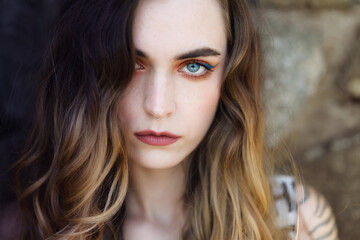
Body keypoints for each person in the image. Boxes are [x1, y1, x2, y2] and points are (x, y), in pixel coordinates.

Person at [3, 0, 338, 239]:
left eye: (194, 67)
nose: (158, 106)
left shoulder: (296, 221)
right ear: (92, 74)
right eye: (132, 63)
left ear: (230, 80)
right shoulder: (27, 229)